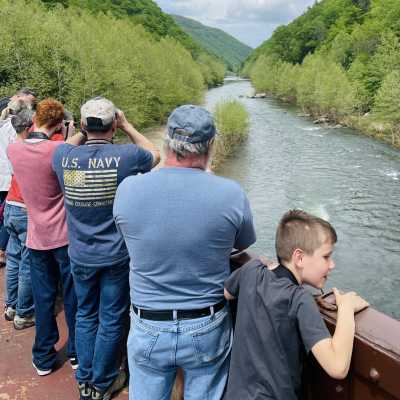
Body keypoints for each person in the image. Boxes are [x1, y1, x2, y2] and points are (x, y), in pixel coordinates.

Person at [113, 104, 256, 400]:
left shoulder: (127, 189)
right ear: (211, 145)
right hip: (206, 323)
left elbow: (129, 235)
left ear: (166, 142)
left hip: (148, 323)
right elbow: (242, 244)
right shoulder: (230, 193)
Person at [52, 96, 160, 400]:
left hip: (80, 254)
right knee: (112, 317)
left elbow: (68, 144)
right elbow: (156, 153)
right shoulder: (127, 156)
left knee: (86, 315)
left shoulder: (62, 156)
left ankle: (84, 379)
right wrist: (126, 125)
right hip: (115, 254)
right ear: (113, 125)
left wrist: (82, 131)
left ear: (84, 126)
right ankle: (103, 383)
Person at [223, 209, 369, 400]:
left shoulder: (252, 270)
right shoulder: (299, 298)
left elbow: (227, 293)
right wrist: (347, 308)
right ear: (299, 258)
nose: (332, 265)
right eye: (326, 257)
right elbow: (337, 367)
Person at [7, 98, 84, 377]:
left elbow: (45, 146)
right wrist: (78, 133)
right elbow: (75, 184)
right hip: (64, 238)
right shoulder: (60, 151)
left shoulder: (13, 150)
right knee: (74, 298)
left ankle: (43, 356)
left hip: (36, 238)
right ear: (59, 124)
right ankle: (76, 352)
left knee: (43, 299)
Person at [3, 109, 36, 329]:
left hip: (11, 205)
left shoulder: (14, 147)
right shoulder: (30, 148)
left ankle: (10, 305)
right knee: (27, 263)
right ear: (29, 127)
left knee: (13, 260)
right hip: (25, 209)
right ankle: (23, 313)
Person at [0, 89, 37, 266]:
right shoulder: (17, 130)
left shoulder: (3, 124)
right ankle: (1, 249)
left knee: (3, 216)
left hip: (4, 176)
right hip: (10, 179)